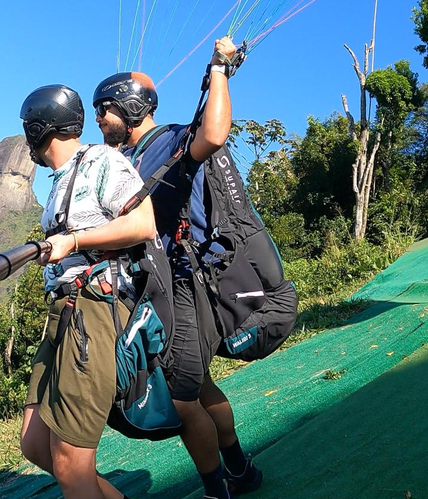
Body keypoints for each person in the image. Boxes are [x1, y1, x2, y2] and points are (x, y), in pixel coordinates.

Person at [93, 38, 261, 499]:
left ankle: (216, 490)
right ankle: (241, 470)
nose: (98, 119)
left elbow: (212, 135)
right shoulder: (122, 160)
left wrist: (219, 70)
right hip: (158, 286)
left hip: (183, 286)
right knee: (200, 388)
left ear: (127, 106)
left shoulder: (168, 140)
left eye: (104, 109)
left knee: (183, 398)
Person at [18, 84, 156, 499]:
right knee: (36, 444)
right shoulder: (60, 180)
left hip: (94, 309)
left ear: (41, 128)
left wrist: (74, 241)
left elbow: (143, 224)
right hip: (63, 312)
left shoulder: (101, 160)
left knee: (70, 461)